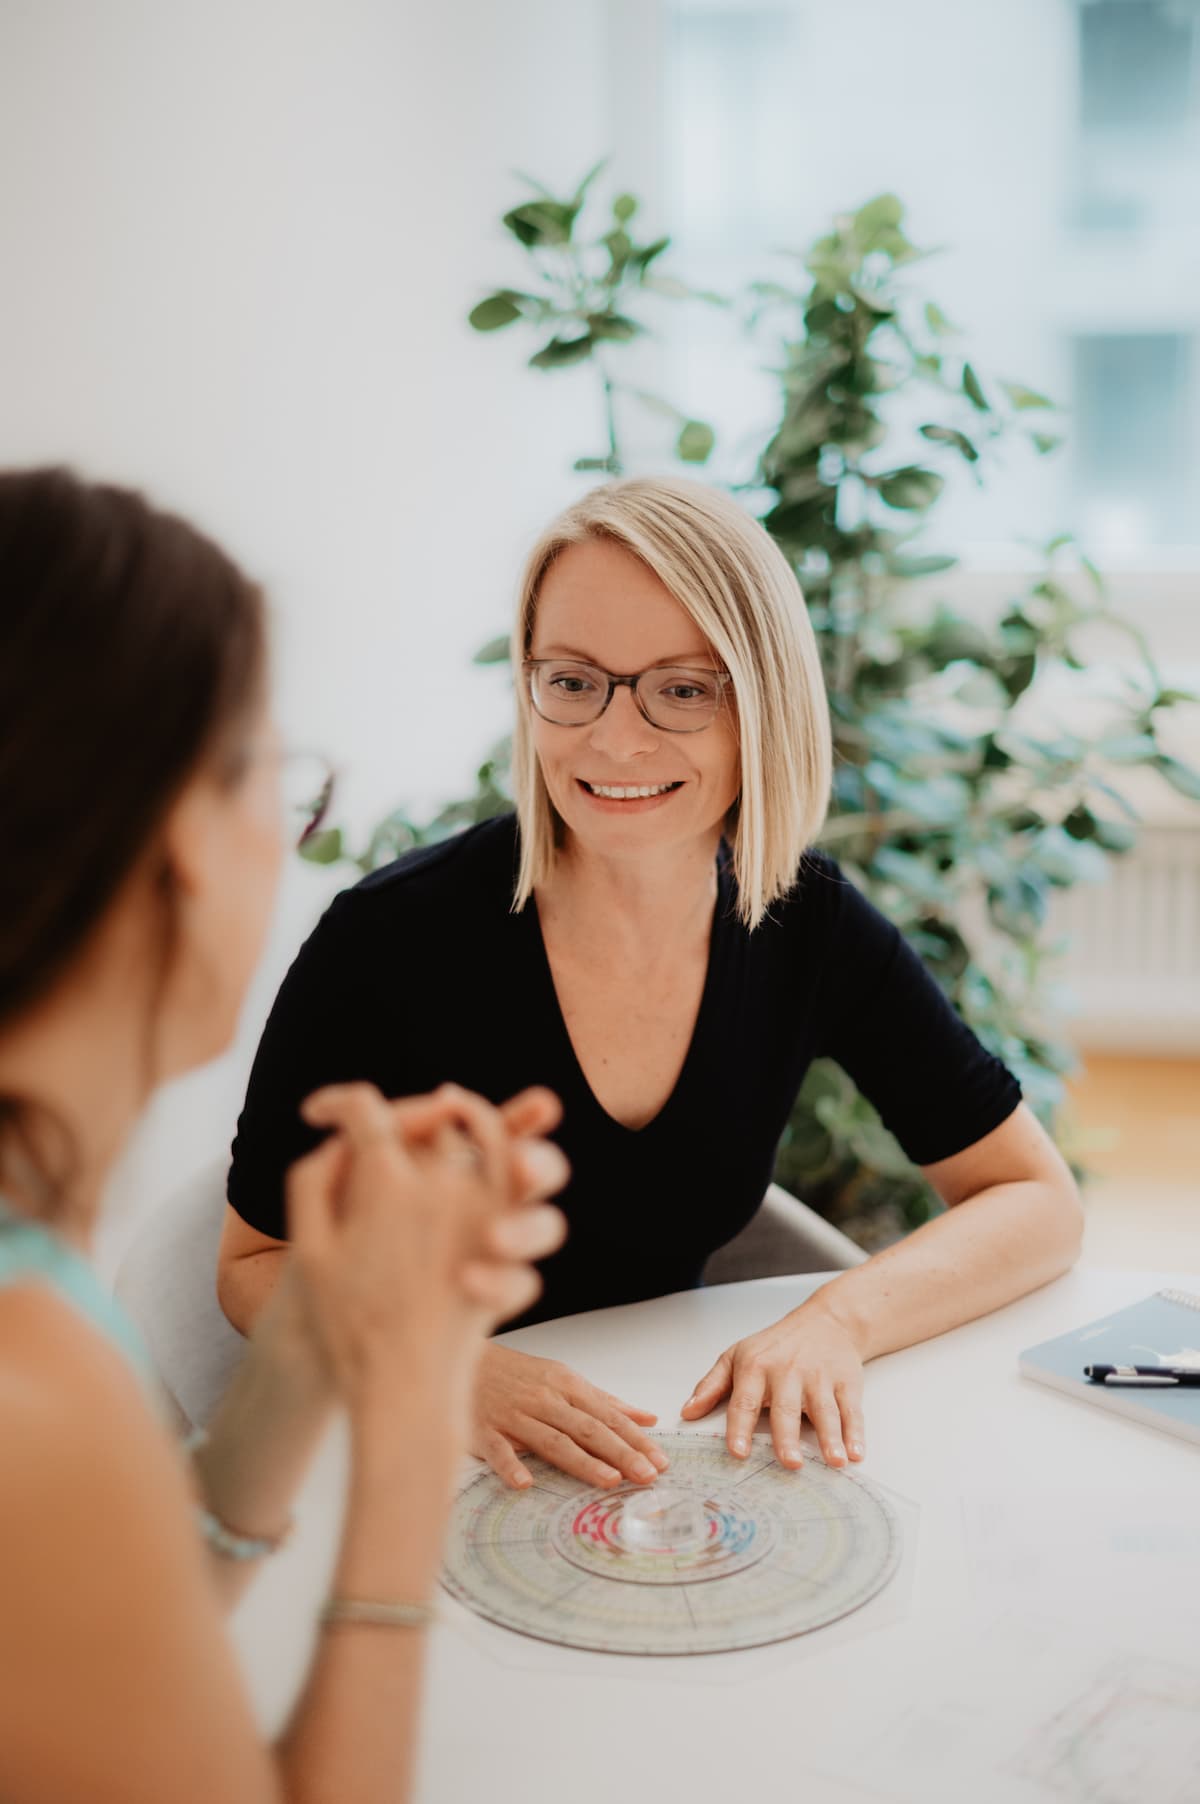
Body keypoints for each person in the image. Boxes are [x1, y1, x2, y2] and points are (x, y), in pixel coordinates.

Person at [219, 475, 1084, 1494]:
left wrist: (839, 1319)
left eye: (682, 689)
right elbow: (252, 1266)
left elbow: (1034, 1198)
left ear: (761, 703)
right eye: (573, 680)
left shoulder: (805, 921)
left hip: (647, 1453)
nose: (616, 739)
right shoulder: (387, 937)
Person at [0, 467, 568, 1804]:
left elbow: (97, 1639)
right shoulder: (33, 1394)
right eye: (278, 779)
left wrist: (320, 1325)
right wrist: (417, 1403)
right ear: (187, 842)